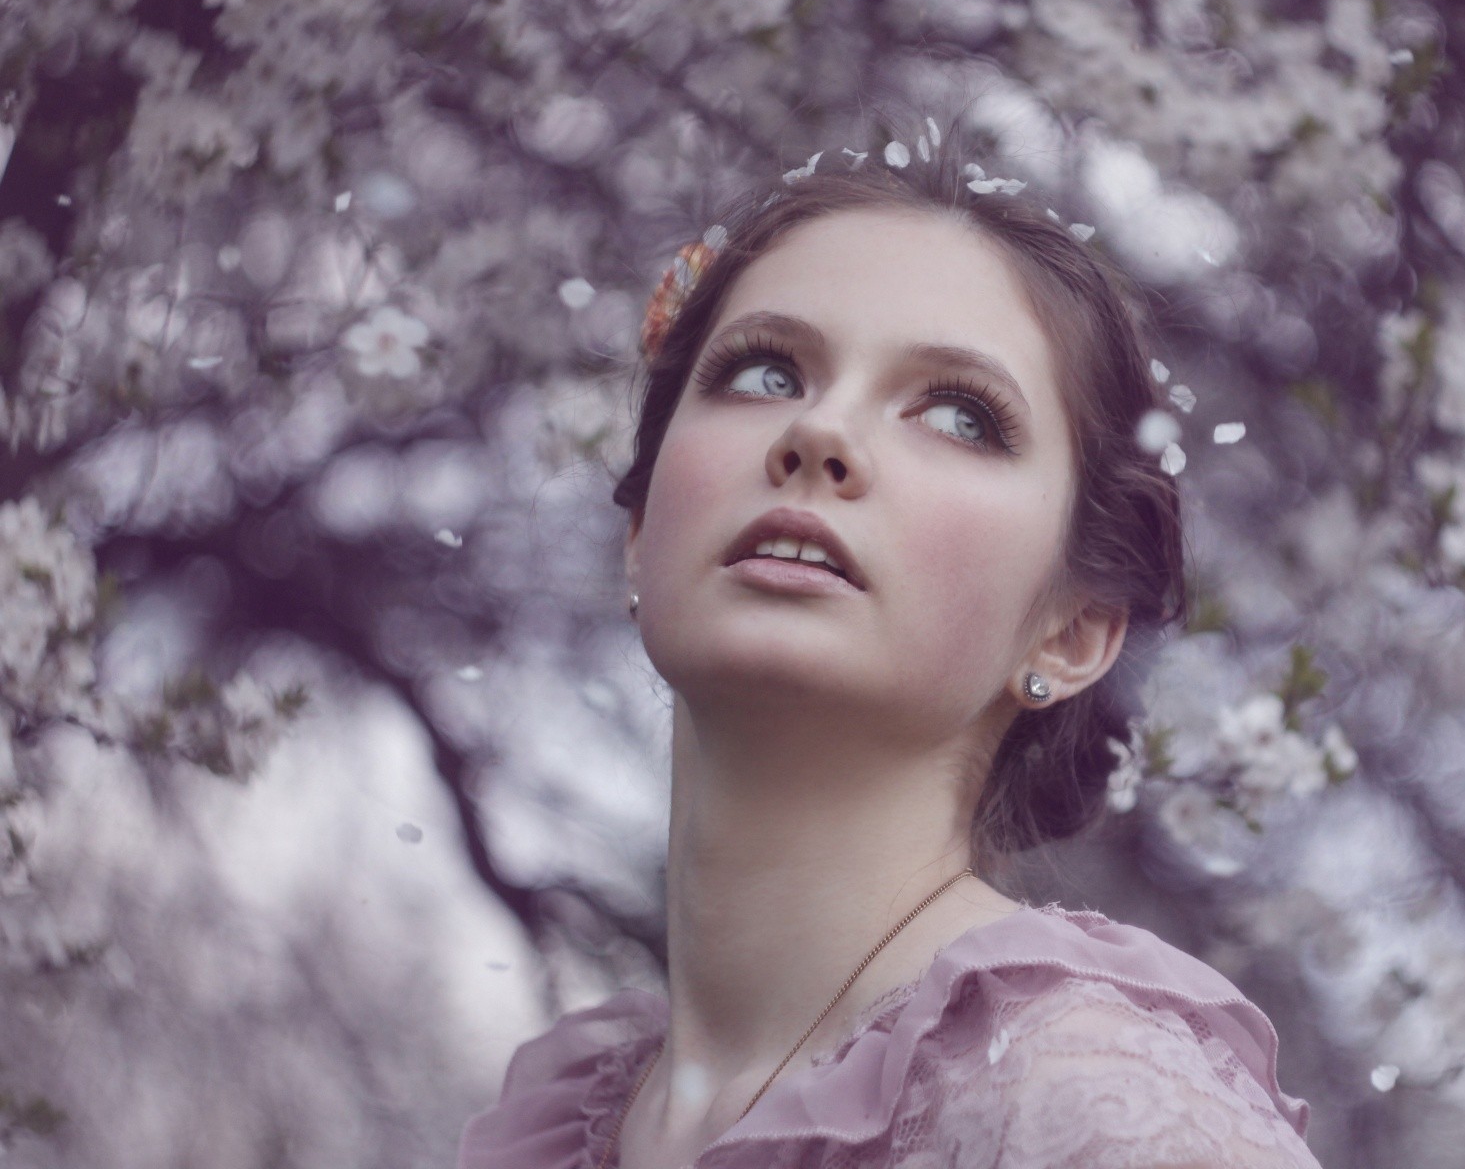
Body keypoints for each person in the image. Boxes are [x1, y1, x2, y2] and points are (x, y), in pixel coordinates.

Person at [457, 128, 1323, 1169]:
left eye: (960, 414)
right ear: (641, 528)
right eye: (766, 372)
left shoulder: (1091, 1104)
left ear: (1075, 626)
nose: (821, 432)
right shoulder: (558, 1128)